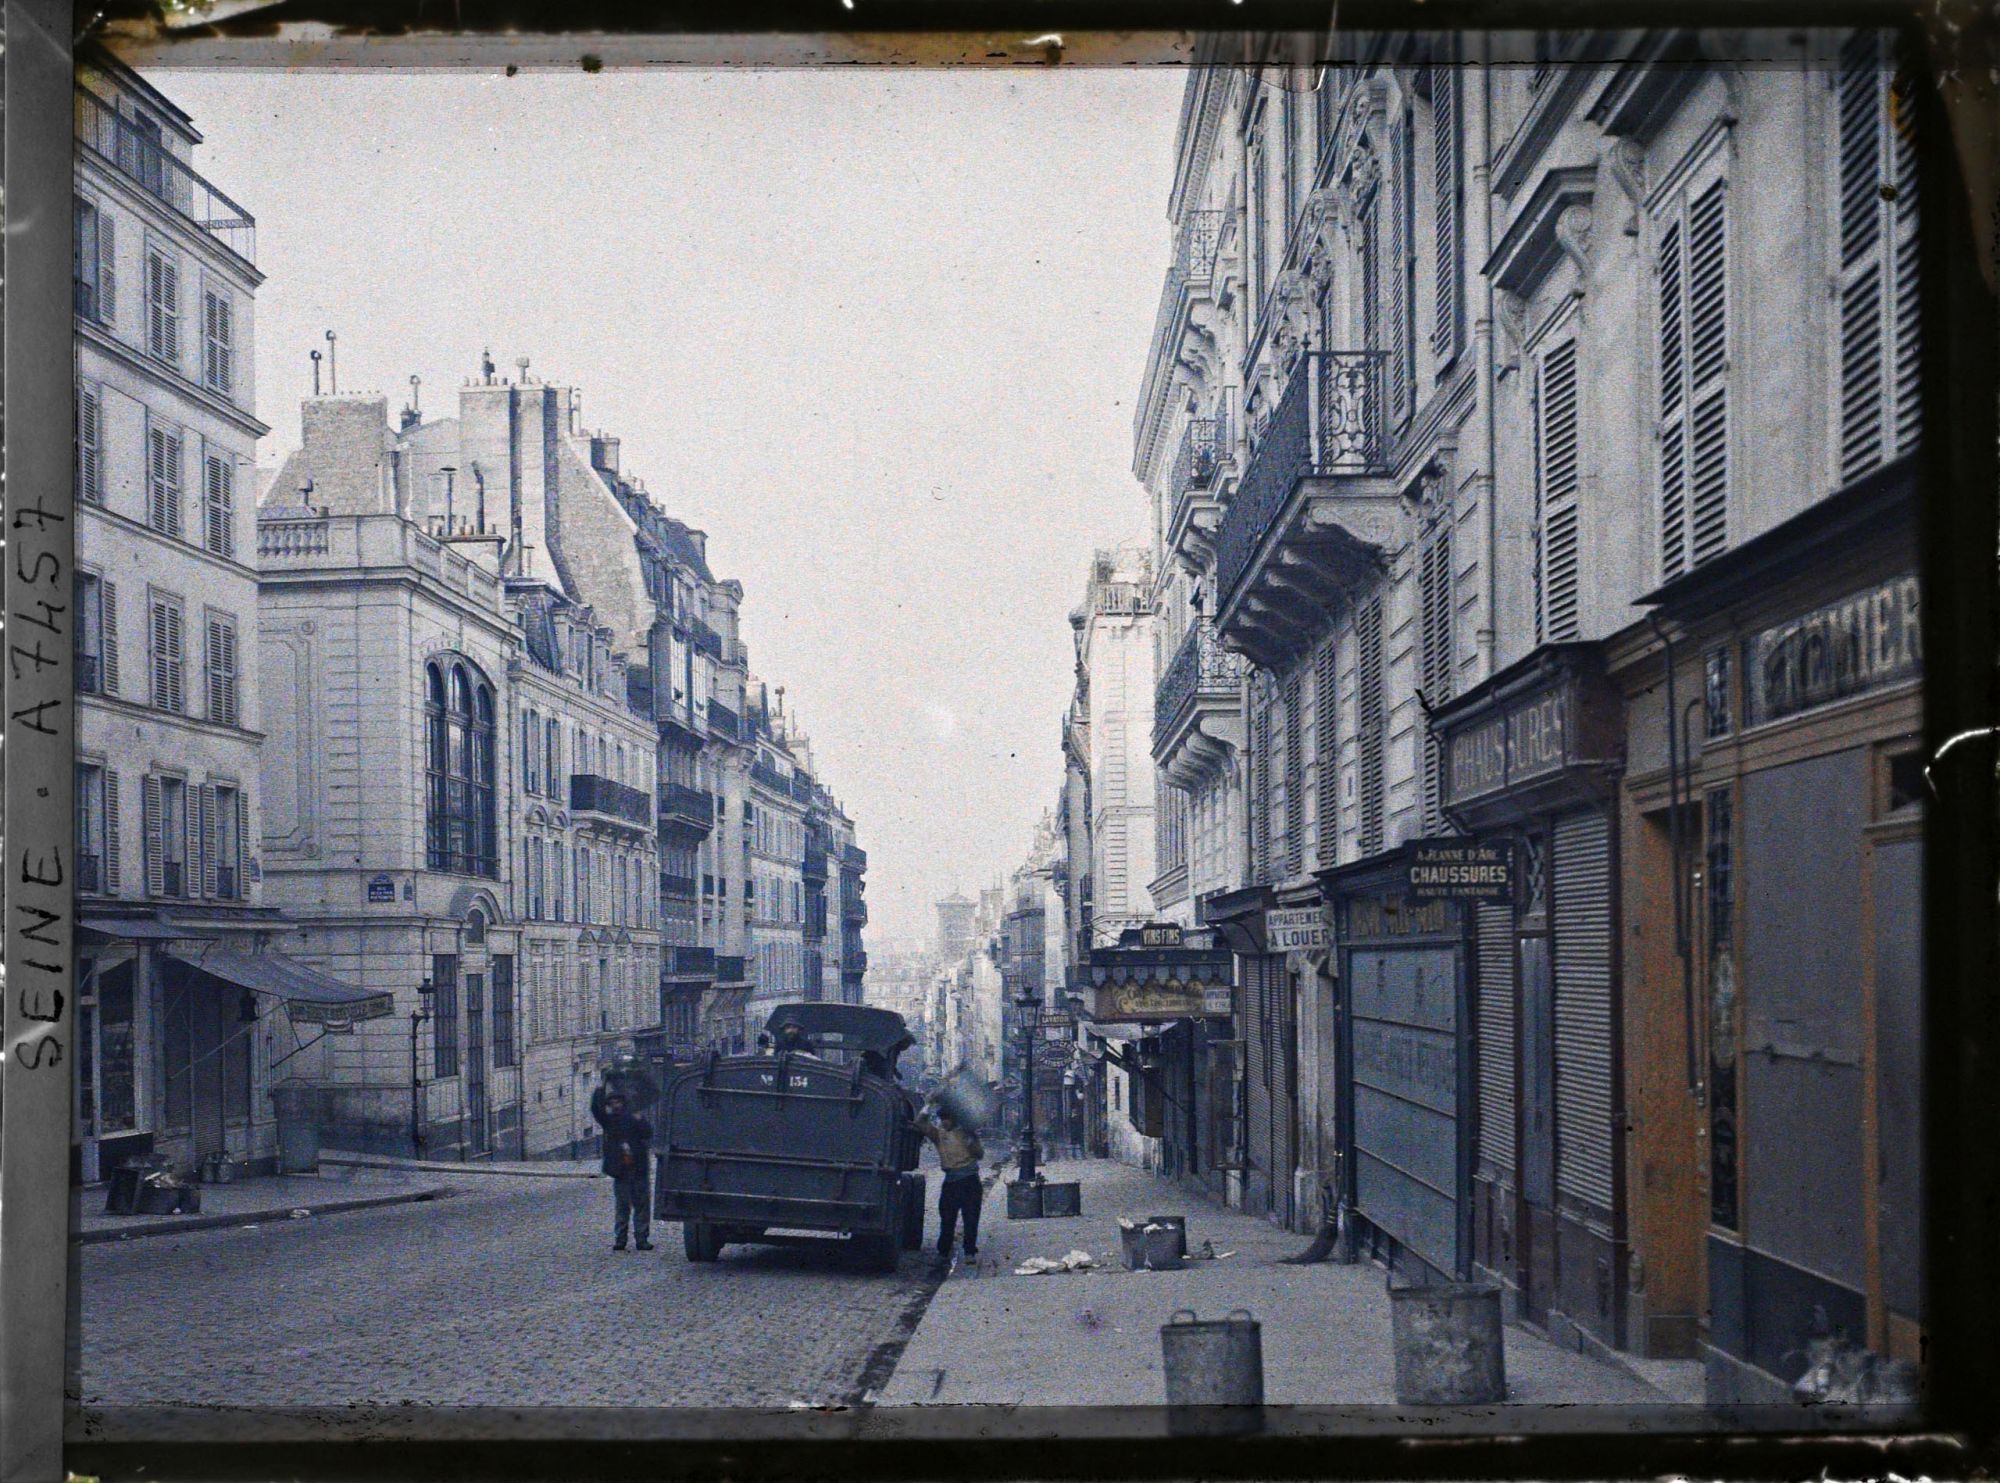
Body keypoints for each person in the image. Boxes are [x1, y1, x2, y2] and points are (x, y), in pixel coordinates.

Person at [914, 1096, 985, 1271]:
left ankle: (969, 1252)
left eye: (947, 1119)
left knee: (971, 1219)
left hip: (970, 1180)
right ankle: (943, 1253)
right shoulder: (938, 1134)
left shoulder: (966, 1133)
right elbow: (919, 1123)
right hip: (951, 1181)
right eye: (941, 1119)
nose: (944, 1123)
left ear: (954, 1119)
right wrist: (928, 1105)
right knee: (947, 1219)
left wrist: (971, 1142)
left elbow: (980, 1154)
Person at [589, 1084, 653, 1252]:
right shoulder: (609, 1121)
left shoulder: (633, 1118)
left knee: (641, 1206)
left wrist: (640, 1120)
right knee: (622, 1207)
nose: (615, 1105)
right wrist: (599, 1091)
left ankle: (642, 1239)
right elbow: (596, 1109)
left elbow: (648, 1133)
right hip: (621, 1171)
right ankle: (620, 1239)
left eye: (618, 1101)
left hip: (638, 1169)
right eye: (612, 1102)